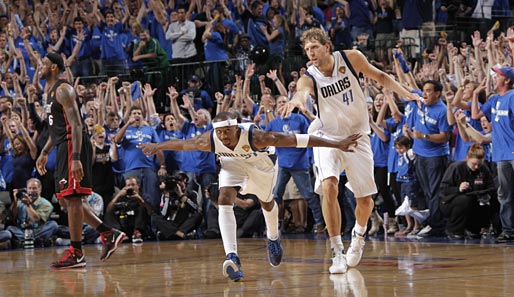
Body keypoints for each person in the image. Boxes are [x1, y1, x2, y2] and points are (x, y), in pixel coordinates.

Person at [138, 111, 361, 281]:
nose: (223, 136)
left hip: (261, 166)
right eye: (220, 132)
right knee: (224, 197)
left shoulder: (258, 136)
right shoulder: (211, 140)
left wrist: (337, 144)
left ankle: (273, 238)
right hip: (232, 165)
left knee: (266, 202)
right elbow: (184, 145)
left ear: (237, 128)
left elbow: (299, 139)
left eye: (227, 131)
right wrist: (157, 145)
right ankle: (232, 256)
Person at [280, 28, 419, 274]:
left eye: (314, 47)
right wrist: (296, 101)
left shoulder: (351, 58)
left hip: (357, 136)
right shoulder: (309, 76)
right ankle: (336, 251)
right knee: (329, 186)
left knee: (365, 201)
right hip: (326, 137)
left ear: (326, 46)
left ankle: (359, 235)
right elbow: (301, 92)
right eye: (307, 49)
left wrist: (405, 93)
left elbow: (380, 76)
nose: (310, 53)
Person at [35, 53, 126, 269]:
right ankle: (107, 233)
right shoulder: (50, 92)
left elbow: (76, 125)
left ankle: (76, 253)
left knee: (74, 199)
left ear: (55, 68)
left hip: (73, 146)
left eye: (45, 64)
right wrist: (45, 151)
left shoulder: (63, 89)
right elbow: (55, 129)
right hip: (62, 146)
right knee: (67, 200)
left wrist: (76, 158)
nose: (40, 67)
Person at [471, 66, 514, 242]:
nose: (494, 78)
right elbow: (475, 114)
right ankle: (508, 229)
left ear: (507, 80)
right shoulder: (495, 99)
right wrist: (475, 95)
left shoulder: (512, 97)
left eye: (498, 75)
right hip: (501, 154)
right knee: (505, 194)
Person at [440, 144, 496, 239]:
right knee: (465, 200)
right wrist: (458, 189)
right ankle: (454, 230)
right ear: (467, 158)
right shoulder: (456, 167)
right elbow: (443, 189)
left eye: (479, 164)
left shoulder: (483, 169)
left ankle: (476, 229)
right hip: (451, 201)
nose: (476, 167)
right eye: (474, 164)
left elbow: (491, 186)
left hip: (477, 198)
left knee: (490, 200)